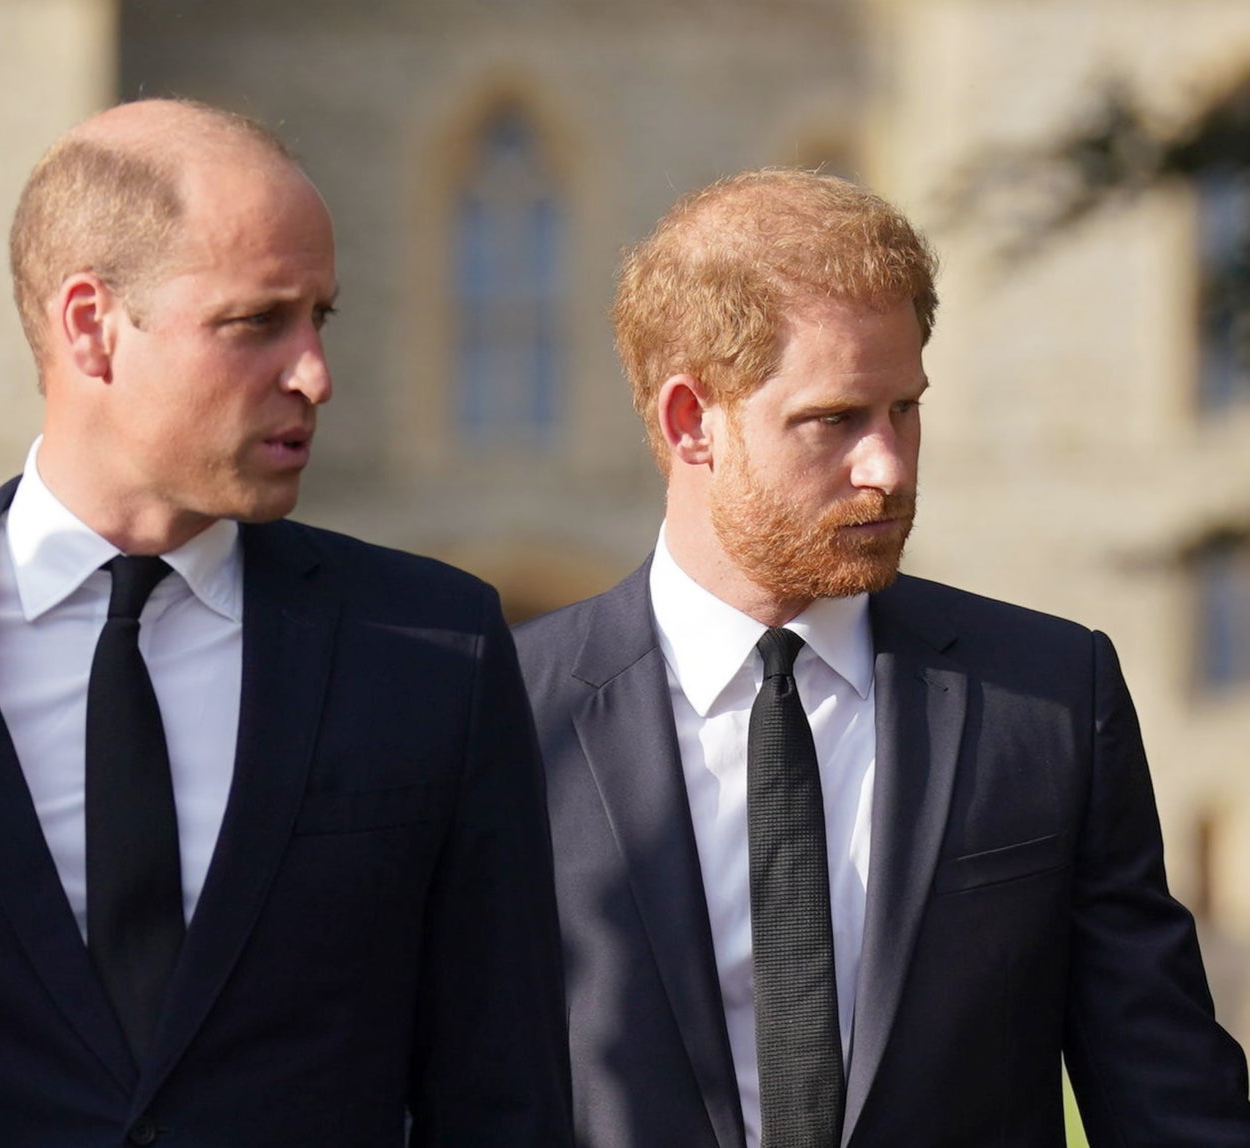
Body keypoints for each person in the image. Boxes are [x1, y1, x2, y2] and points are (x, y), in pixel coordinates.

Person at [0, 99, 571, 1147]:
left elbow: (505, 1102)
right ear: (92, 326)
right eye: (258, 322)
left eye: (320, 319)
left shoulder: (436, 647)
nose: (314, 373)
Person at [513, 169, 1250, 1147]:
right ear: (691, 422)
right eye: (835, 419)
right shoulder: (504, 714)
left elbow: (1163, 1089)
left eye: (904, 408)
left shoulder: (1047, 696)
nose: (889, 465)